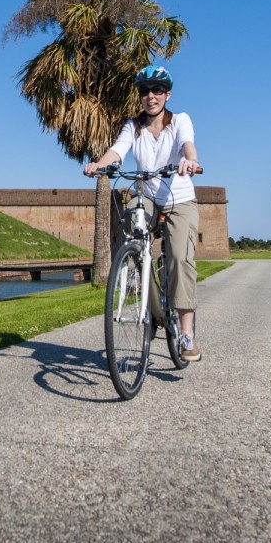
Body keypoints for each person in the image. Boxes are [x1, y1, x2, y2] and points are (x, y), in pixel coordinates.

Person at [84, 64, 202, 362]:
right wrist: (100, 164)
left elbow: (188, 146)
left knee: (178, 258)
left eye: (157, 90)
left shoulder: (180, 121)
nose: (151, 96)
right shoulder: (133, 127)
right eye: (145, 91)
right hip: (147, 195)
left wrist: (190, 161)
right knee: (133, 235)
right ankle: (150, 309)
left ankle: (186, 334)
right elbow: (118, 150)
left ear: (167, 94)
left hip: (179, 197)